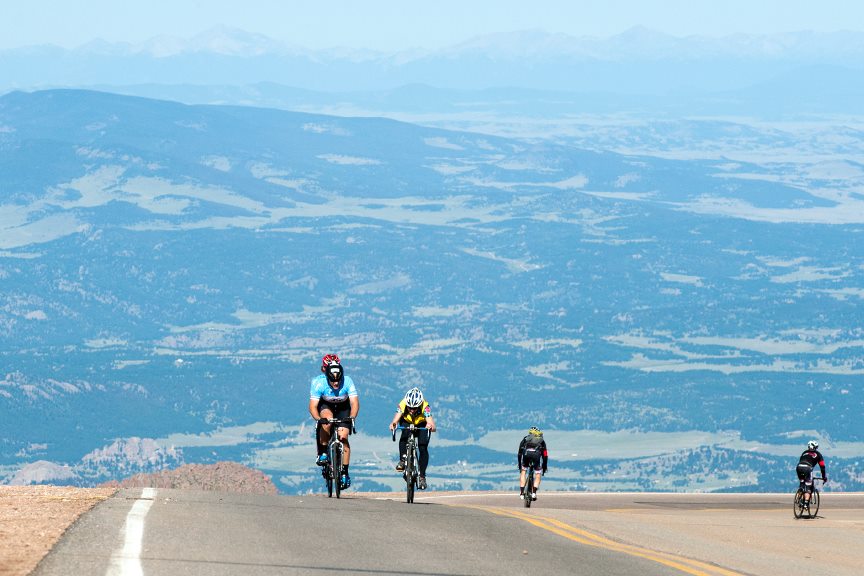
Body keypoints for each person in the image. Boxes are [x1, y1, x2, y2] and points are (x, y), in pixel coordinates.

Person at [308, 353, 359, 489]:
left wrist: (352, 417)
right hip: (326, 406)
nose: (336, 383)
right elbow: (313, 406)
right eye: (332, 381)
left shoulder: (348, 381)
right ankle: (323, 452)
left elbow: (354, 403)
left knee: (343, 437)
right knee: (327, 421)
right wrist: (319, 419)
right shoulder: (318, 382)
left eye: (338, 381)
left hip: (343, 407)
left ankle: (344, 473)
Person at [389, 387, 436, 490]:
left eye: (414, 408)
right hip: (407, 421)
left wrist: (430, 426)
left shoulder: (425, 406)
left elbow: (432, 425)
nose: (411, 410)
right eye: (410, 408)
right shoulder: (403, 403)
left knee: (423, 447)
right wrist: (394, 424)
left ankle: (422, 477)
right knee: (404, 435)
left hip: (421, 423)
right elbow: (396, 418)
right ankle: (402, 460)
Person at [517, 426, 548, 500]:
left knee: (523, 471)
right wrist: (544, 466)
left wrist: (519, 465)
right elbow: (545, 455)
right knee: (537, 473)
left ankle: (521, 493)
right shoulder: (541, 441)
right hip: (536, 455)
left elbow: (519, 453)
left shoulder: (525, 439)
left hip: (526, 454)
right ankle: (534, 493)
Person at [796, 440, 828, 508]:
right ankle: (806, 503)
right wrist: (824, 477)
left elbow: (801, 461)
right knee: (808, 486)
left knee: (802, 483)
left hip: (799, 467)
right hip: (808, 468)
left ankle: (798, 497)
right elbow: (822, 467)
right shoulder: (818, 454)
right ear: (815, 448)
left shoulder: (804, 452)